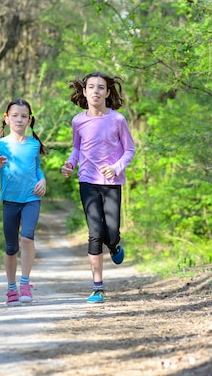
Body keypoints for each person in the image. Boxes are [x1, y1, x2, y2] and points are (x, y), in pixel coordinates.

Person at [61, 71, 135, 304]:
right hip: (87, 180)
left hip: (112, 182)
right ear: (84, 92)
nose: (95, 91)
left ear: (107, 92)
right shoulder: (78, 121)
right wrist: (71, 164)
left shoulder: (117, 120)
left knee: (110, 233)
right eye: (91, 87)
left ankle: (113, 246)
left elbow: (129, 150)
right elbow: (76, 148)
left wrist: (116, 167)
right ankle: (97, 288)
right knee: (95, 233)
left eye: (100, 87)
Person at [0, 99, 47, 306]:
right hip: (10, 201)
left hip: (31, 198)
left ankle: (25, 283)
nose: (19, 119)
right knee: (11, 248)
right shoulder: (1, 145)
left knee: (27, 238)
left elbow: (36, 169)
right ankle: (11, 288)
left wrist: (43, 179)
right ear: (7, 119)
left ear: (29, 120)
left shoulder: (34, 144)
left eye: (24, 116)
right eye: (15, 115)